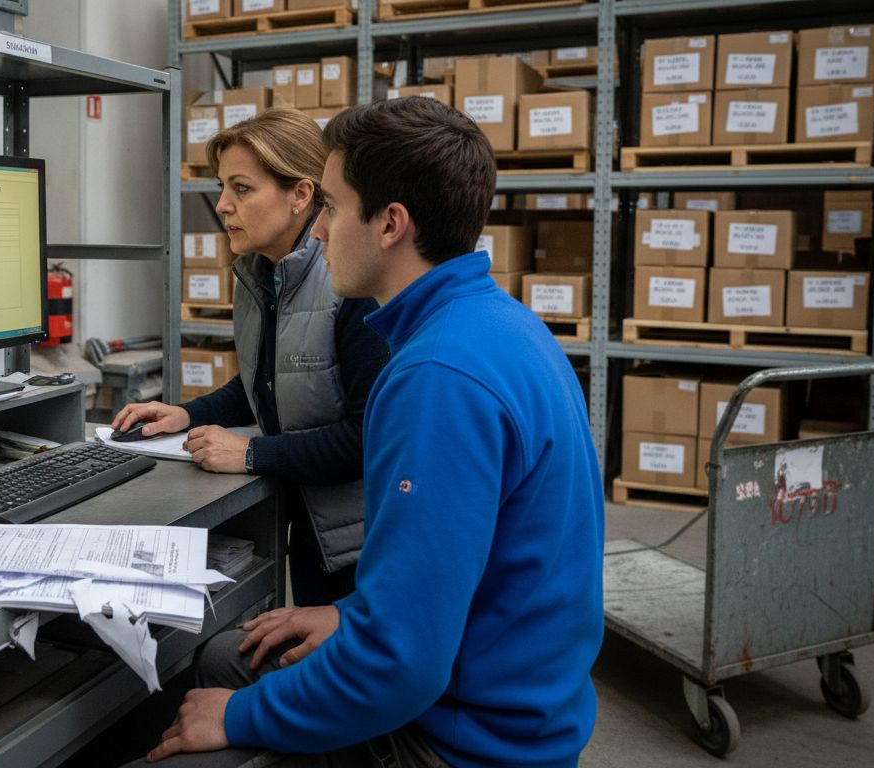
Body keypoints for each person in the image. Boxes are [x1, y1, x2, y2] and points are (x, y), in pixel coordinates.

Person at [132, 97, 604, 767]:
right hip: (521, 700)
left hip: (461, 741)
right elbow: (464, 571)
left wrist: (243, 716)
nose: (318, 231)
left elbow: (398, 670)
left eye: (328, 205)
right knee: (222, 654)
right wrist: (352, 613)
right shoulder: (502, 325)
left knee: (197, 720)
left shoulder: (436, 378)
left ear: (389, 224)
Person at [112, 108, 388, 607]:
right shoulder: (261, 275)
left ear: (301, 195)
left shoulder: (349, 285)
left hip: (362, 542)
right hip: (310, 522)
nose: (222, 206)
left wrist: (250, 453)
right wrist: (187, 413)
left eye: (242, 189)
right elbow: (267, 383)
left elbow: (370, 436)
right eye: (222, 188)